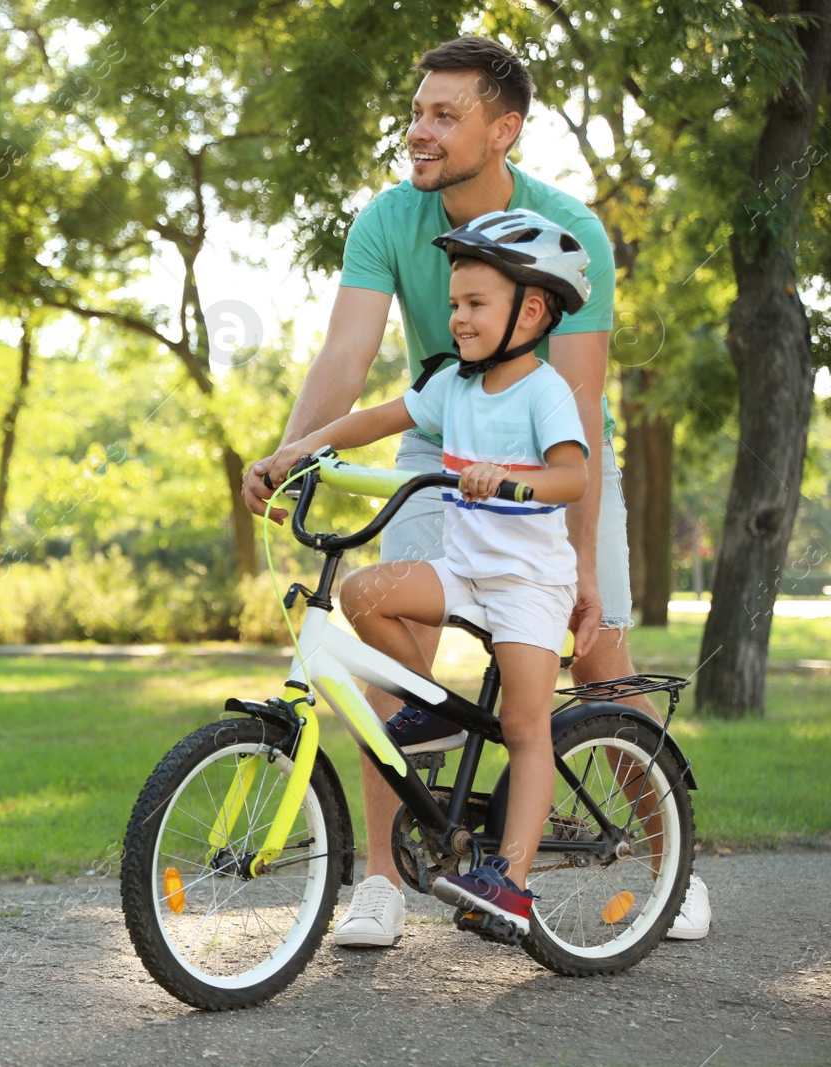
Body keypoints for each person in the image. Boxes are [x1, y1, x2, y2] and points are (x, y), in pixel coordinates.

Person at [242, 36, 710, 944]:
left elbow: (573, 402)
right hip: (440, 442)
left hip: (550, 450)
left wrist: (578, 567)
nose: (419, 130)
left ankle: (669, 861)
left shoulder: (567, 231)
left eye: (443, 116)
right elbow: (347, 359)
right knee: (387, 638)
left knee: (599, 647)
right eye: (417, 112)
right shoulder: (387, 219)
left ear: (504, 131)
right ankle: (380, 878)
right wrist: (293, 451)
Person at [284, 208, 589, 934]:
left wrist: (513, 482)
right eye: (454, 304)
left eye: (475, 304)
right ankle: (430, 712)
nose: (457, 318)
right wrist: (301, 449)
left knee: (522, 724)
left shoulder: (543, 391)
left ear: (532, 308)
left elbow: (572, 477)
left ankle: (510, 880)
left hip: (527, 585)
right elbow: (375, 419)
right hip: (464, 569)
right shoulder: (452, 383)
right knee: (364, 593)